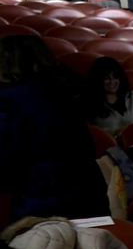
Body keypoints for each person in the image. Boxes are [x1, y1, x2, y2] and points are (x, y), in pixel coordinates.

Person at [1, 37, 105, 222]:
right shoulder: (65, 90)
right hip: (90, 197)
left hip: (40, 204)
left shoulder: (9, 100)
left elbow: (7, 157)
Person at [85, 55, 133, 133]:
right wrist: (117, 132)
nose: (112, 82)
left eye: (115, 77)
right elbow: (88, 132)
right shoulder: (87, 102)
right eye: (106, 78)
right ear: (97, 80)